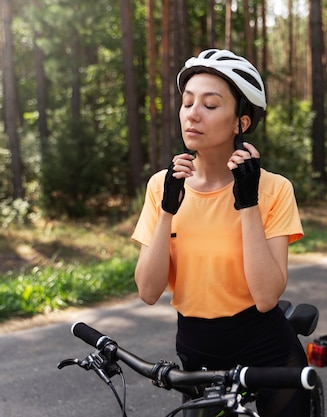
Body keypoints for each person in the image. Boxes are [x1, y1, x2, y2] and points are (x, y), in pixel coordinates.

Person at [131, 49, 309, 416]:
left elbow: (265, 297)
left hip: (267, 347)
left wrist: (247, 203)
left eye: (210, 105)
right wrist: (167, 211)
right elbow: (148, 292)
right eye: (187, 102)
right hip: (197, 349)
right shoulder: (161, 186)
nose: (192, 113)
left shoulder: (274, 189)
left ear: (239, 123)